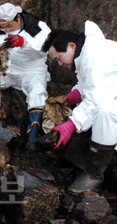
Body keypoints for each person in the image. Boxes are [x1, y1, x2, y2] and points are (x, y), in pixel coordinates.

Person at [41, 20, 117, 194]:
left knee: (105, 112)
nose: (59, 64)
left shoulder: (96, 56)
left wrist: (71, 125)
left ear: (71, 45)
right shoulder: (88, 54)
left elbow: (96, 100)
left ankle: (93, 174)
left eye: (58, 58)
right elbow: (88, 85)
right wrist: (70, 98)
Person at [0, 3, 51, 151]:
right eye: (3, 27)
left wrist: (24, 43)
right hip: (7, 69)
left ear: (18, 17)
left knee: (38, 91)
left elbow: (45, 47)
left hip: (32, 71)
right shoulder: (0, 31)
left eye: (9, 26)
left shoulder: (37, 26)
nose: (6, 30)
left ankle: (33, 133)